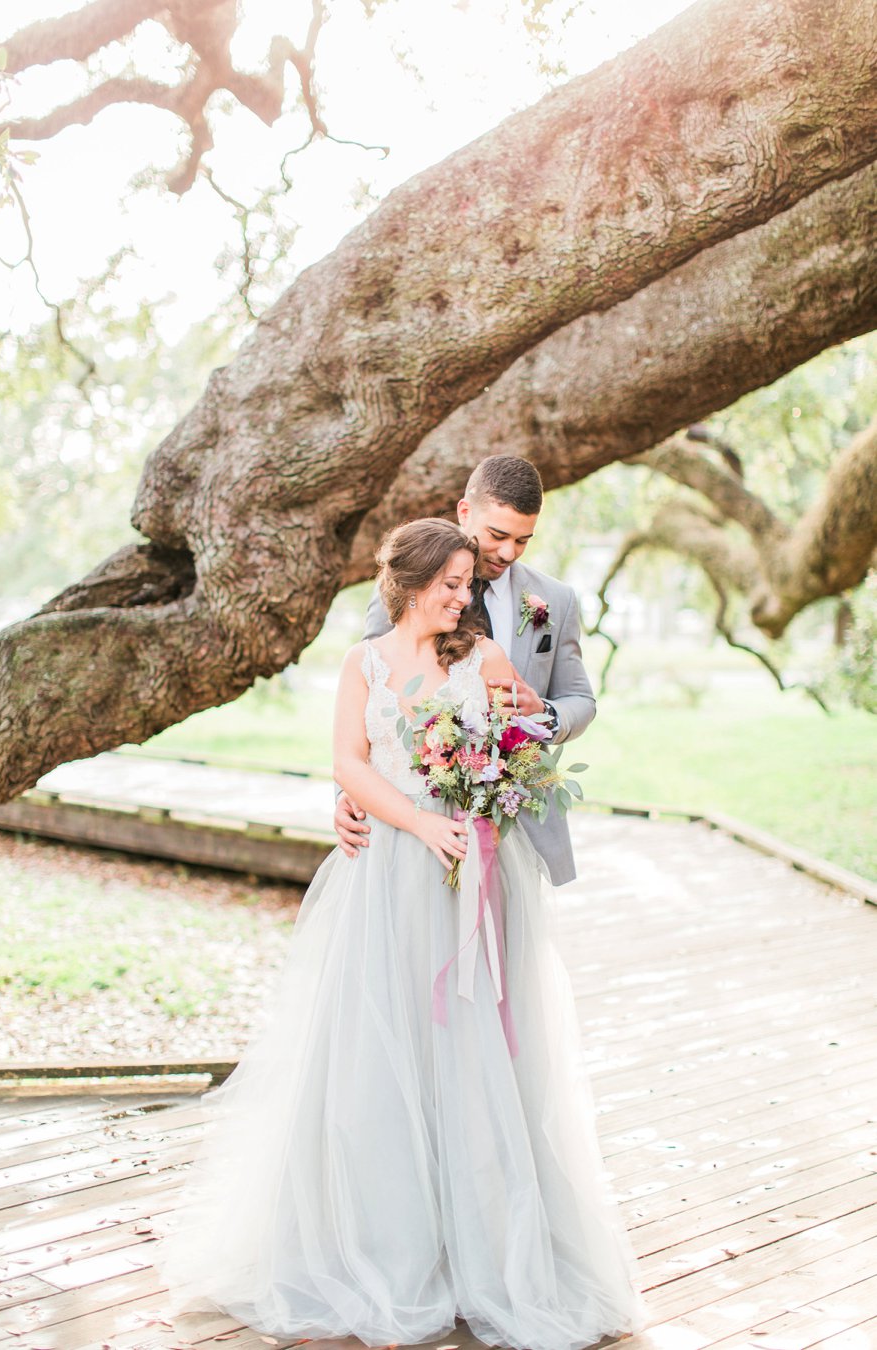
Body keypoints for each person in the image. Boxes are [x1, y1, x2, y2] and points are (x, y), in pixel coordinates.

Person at [158, 517, 642, 1350]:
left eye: (470, 583)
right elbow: (349, 763)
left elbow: (515, 755)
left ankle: (480, 1252)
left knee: (468, 1056)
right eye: (452, 584)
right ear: (411, 584)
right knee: (373, 1053)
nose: (466, 597)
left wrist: (497, 789)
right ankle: (383, 1249)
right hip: (387, 879)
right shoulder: (364, 663)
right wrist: (418, 822)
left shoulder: (487, 658)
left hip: (469, 878)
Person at [336, 455, 593, 887]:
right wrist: (349, 794)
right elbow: (371, 707)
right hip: (413, 828)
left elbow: (580, 700)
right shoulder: (406, 590)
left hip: (517, 823)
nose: (508, 552)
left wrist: (545, 714)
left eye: (523, 540)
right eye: (497, 535)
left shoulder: (557, 600)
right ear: (464, 512)